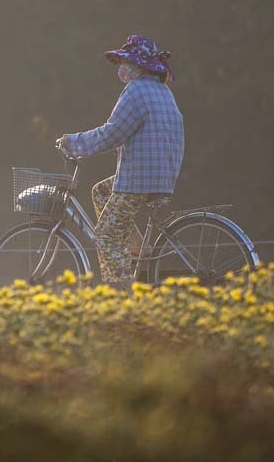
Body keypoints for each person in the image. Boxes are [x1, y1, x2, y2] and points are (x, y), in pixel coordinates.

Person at [56, 35, 184, 290]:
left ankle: (122, 296)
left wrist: (73, 143)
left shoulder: (136, 91)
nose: (121, 68)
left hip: (139, 179)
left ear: (137, 66)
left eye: (125, 62)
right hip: (162, 174)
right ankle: (138, 250)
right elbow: (130, 135)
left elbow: (112, 133)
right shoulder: (162, 91)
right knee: (102, 191)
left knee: (106, 236)